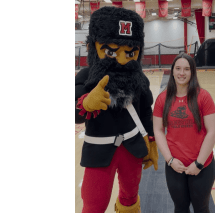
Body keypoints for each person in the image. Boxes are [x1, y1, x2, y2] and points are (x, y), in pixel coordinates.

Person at [75, 6, 158, 213]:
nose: (121, 60)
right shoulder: (86, 77)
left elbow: (146, 110)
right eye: (111, 51)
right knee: (95, 202)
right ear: (94, 47)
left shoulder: (139, 79)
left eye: (130, 53)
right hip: (99, 152)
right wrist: (85, 103)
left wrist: (151, 139)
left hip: (132, 147)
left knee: (130, 196)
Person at [153, 53, 215, 213]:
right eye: (178, 68)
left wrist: (199, 164)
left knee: (201, 208)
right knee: (180, 208)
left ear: (192, 72)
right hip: (175, 167)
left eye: (187, 69)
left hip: (202, 167)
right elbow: (158, 130)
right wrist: (170, 160)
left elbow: (212, 132)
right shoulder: (163, 99)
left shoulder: (203, 97)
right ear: (173, 71)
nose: (182, 73)